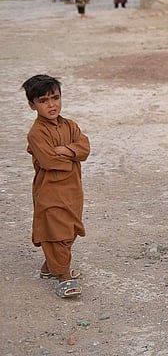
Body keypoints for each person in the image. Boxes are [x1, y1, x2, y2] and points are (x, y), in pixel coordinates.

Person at [22, 74, 91, 299]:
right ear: (32, 104)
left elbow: (85, 148)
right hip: (50, 190)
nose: (51, 105)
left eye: (55, 98)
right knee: (55, 231)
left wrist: (66, 150)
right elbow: (49, 161)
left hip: (72, 190)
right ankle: (63, 276)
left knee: (69, 229)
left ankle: (49, 267)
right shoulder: (37, 133)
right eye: (43, 100)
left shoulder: (70, 125)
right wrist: (71, 153)